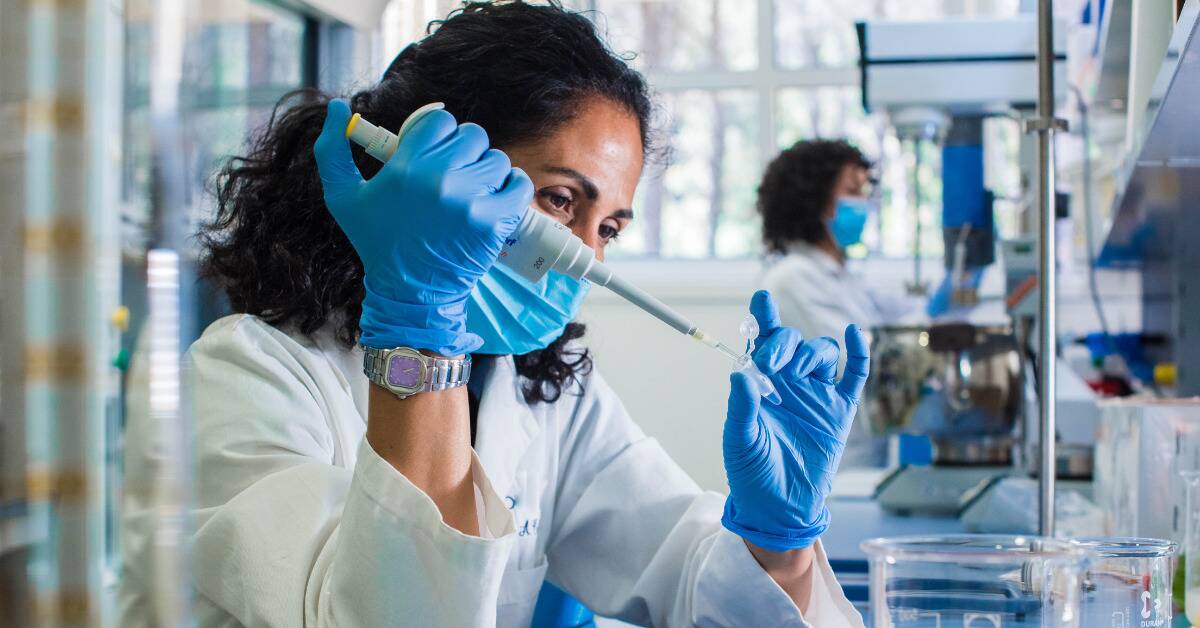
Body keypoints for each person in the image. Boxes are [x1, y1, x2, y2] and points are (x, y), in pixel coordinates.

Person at [120, 3, 868, 626]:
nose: (584, 259)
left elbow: (682, 561)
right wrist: (418, 330)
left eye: (607, 228)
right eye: (560, 201)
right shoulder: (240, 380)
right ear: (429, 169)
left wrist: (780, 542)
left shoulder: (542, 398)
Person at [757, 140, 918, 468]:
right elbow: (859, 366)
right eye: (852, 191)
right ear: (814, 198)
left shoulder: (842, 278)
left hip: (861, 457)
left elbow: (899, 314)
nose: (863, 204)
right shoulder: (793, 279)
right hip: (828, 468)